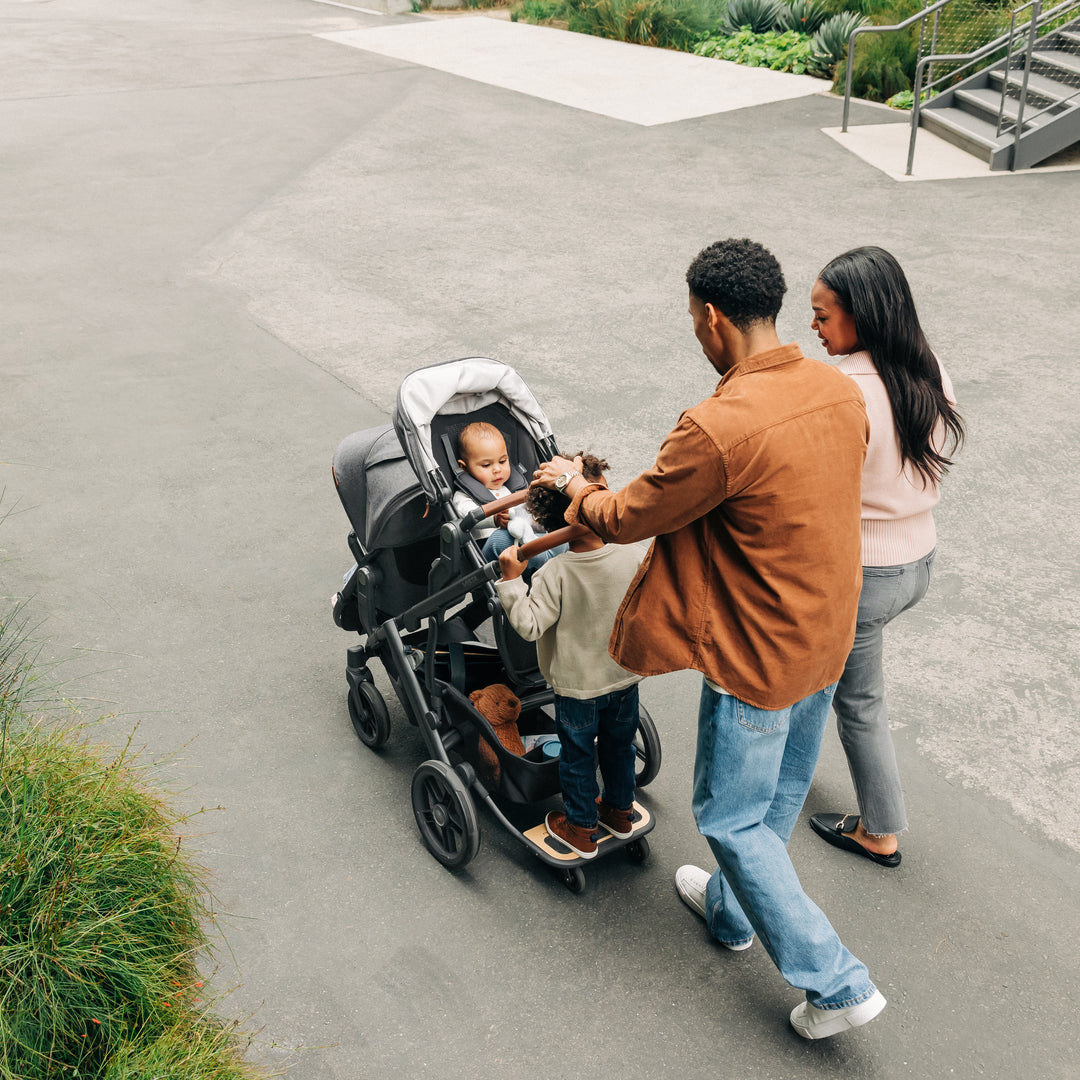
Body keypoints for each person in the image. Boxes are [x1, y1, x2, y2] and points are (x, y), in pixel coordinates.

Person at [532, 238, 885, 1039]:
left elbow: (628, 515)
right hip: (825, 632)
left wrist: (574, 487)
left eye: (694, 320)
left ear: (715, 317)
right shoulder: (836, 389)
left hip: (757, 653)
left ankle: (836, 984)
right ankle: (731, 913)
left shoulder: (719, 425)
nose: (696, 332)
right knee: (776, 800)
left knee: (729, 819)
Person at [807, 246, 965, 868]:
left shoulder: (842, 390)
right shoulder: (927, 369)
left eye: (822, 316)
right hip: (917, 559)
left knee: (859, 702)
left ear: (860, 315)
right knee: (847, 680)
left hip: (862, 573)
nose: (814, 329)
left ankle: (879, 829)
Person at [495, 453, 647, 860]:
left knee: (578, 756)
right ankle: (618, 809)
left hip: (579, 687)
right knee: (619, 747)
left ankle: (580, 827)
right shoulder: (632, 553)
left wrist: (511, 583)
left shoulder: (555, 574)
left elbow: (528, 627)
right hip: (624, 675)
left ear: (549, 526)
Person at [451, 421, 558, 573]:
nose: (497, 469)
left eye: (502, 461)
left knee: (554, 523)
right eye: (486, 465)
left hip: (525, 541)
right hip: (490, 552)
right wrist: (493, 519)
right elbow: (466, 514)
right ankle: (542, 558)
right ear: (464, 467)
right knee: (504, 537)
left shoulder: (514, 487)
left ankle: (554, 557)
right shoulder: (463, 495)